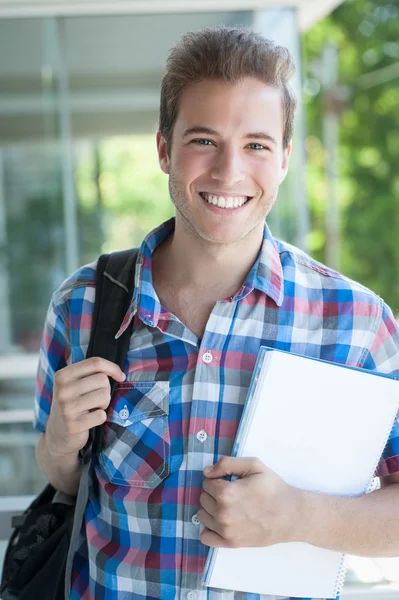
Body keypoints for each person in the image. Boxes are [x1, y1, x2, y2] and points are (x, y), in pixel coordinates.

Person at [34, 26, 399, 600]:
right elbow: (65, 479)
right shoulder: (84, 306)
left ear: (284, 158)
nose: (229, 171)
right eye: (204, 140)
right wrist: (59, 442)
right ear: (163, 149)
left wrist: (300, 516)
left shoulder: (357, 324)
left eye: (256, 144)